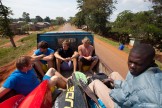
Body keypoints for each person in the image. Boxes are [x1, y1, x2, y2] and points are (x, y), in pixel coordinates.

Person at [88, 43, 162, 108]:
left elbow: (124, 99)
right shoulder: (140, 70)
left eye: (138, 63)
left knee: (95, 83)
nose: (132, 66)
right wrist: (114, 82)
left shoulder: (152, 94)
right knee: (114, 74)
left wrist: (111, 92)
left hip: (120, 104)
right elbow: (131, 87)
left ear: (151, 62)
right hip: (127, 98)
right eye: (130, 61)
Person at [0, 56, 67, 99]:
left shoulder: (28, 69)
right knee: (55, 78)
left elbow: (33, 58)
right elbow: (2, 91)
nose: (32, 65)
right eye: (30, 65)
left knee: (52, 69)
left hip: (42, 84)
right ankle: (69, 87)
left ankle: (67, 81)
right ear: (24, 67)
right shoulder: (14, 78)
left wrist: (41, 56)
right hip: (37, 93)